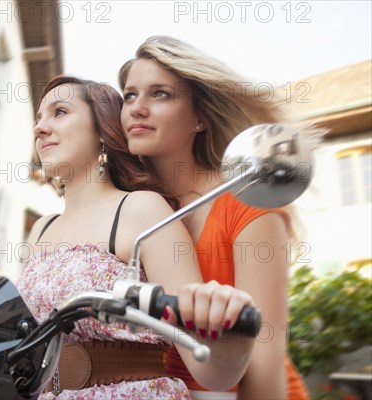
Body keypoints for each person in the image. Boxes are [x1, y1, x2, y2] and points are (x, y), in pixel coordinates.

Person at [18, 75, 261, 400]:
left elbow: (205, 364)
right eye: (38, 118)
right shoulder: (41, 229)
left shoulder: (142, 209)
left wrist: (234, 341)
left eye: (60, 112)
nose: (40, 128)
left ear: (103, 129)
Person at [118, 35, 319, 399]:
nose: (137, 108)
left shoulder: (248, 201)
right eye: (130, 95)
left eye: (159, 93)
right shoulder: (132, 209)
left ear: (199, 117)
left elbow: (263, 358)